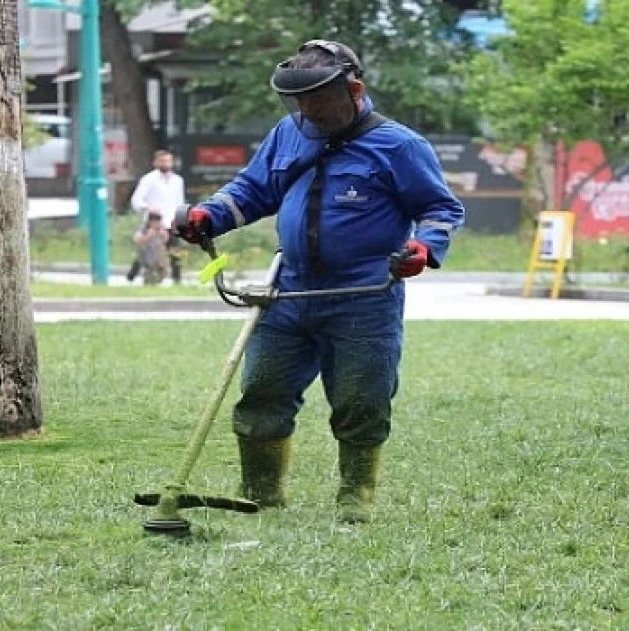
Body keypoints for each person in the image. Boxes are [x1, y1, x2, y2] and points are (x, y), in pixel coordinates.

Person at [172, 39, 466, 524]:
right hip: (286, 290)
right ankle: (261, 495)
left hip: (363, 295)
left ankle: (355, 498)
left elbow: (440, 208)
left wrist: (426, 247)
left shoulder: (401, 145)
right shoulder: (290, 133)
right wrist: (208, 215)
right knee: (262, 391)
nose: (308, 111)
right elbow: (252, 189)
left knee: (361, 400)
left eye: (319, 100)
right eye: (299, 101)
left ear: (354, 89)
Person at [127, 150, 187, 285]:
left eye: (169, 161)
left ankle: (177, 280)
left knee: (175, 250)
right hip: (154, 222)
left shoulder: (177, 180)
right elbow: (136, 200)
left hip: (172, 221)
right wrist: (148, 208)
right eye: (163, 161)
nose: (166, 164)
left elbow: (179, 201)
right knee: (150, 250)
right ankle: (133, 274)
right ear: (155, 163)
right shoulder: (149, 179)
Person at [132, 211, 171, 285]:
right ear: (150, 221)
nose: (158, 224)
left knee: (163, 272)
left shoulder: (161, 229)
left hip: (160, 257)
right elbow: (136, 239)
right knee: (150, 274)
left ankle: (155, 283)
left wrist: (163, 234)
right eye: (156, 222)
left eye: (159, 221)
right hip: (148, 256)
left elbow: (166, 240)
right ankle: (148, 284)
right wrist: (148, 236)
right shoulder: (143, 229)